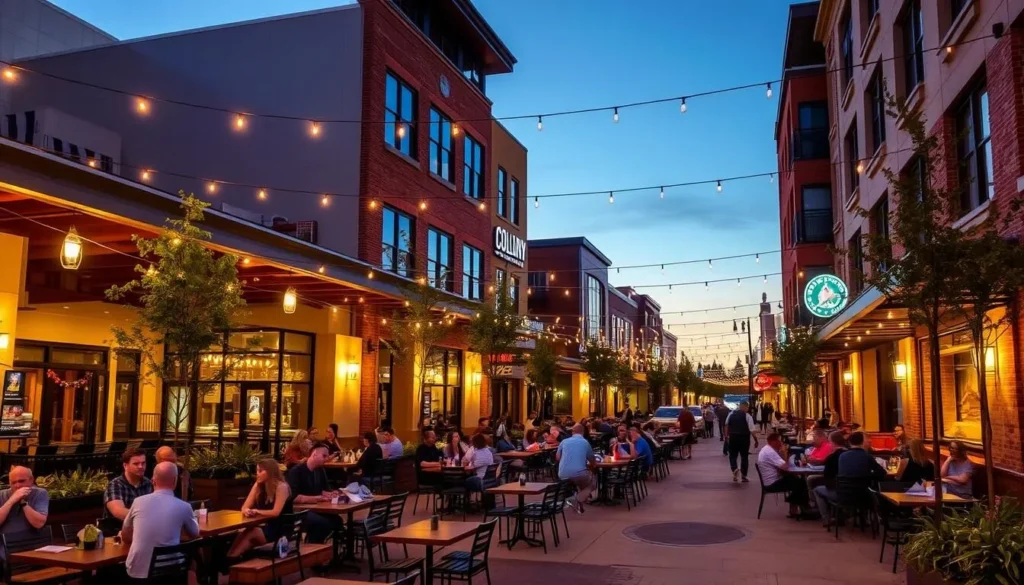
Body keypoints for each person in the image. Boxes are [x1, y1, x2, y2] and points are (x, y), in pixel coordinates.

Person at [121, 462, 200, 580]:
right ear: (175, 481)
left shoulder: (138, 502)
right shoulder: (184, 507)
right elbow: (195, 533)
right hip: (171, 572)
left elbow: (125, 536)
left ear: (153, 480)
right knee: (191, 562)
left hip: (138, 574)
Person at [227, 459, 292, 559]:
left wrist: (257, 511)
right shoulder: (258, 485)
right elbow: (244, 507)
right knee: (246, 534)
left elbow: (276, 512)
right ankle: (231, 559)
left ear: (270, 471)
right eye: (257, 471)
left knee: (252, 532)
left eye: (260, 471)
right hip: (265, 526)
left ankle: (229, 560)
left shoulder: (282, 487)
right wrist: (247, 511)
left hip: (280, 531)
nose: (257, 474)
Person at [285, 442, 339, 542]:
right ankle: (313, 546)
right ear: (314, 454)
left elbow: (325, 490)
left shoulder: (320, 470)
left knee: (337, 521)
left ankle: (324, 548)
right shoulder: (296, 471)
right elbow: (293, 497)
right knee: (321, 523)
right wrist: (319, 498)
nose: (327, 458)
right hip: (299, 512)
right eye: (324, 456)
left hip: (315, 509)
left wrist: (331, 494)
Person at [756, 433, 810, 517]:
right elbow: (785, 467)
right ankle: (803, 509)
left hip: (771, 480)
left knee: (796, 479)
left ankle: (795, 507)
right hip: (772, 483)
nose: (781, 443)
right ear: (774, 441)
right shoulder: (770, 452)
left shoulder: (767, 449)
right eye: (780, 441)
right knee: (800, 483)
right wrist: (785, 453)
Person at [0, 466, 48, 560]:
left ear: (31, 480)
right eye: (13, 482)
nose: (18, 485)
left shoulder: (40, 493)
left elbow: (39, 523)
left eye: (21, 481)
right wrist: (11, 501)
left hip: (30, 545)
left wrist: (23, 502)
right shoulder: (1, 495)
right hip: (4, 547)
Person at [105, 448, 154, 524]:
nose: (141, 466)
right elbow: (118, 512)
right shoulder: (115, 484)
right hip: (117, 527)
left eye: (143, 463)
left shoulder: (148, 483)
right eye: (136, 464)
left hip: (142, 527)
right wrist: (146, 518)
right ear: (125, 465)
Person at [556, 424, 596, 507]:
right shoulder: (585, 442)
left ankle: (580, 497)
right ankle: (577, 499)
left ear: (572, 432)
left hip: (562, 473)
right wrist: (593, 465)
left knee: (580, 478)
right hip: (579, 473)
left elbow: (558, 457)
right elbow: (591, 458)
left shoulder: (564, 441)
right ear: (583, 432)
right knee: (592, 483)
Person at [725, 402, 759, 482]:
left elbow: (726, 425)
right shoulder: (748, 416)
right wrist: (756, 440)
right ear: (746, 407)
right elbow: (752, 430)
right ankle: (744, 475)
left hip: (733, 437)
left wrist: (726, 436)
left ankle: (734, 469)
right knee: (744, 457)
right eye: (747, 408)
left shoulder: (731, 414)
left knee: (732, 455)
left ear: (740, 407)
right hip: (744, 438)